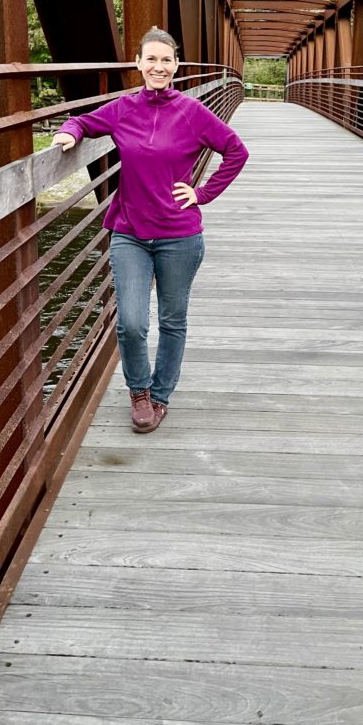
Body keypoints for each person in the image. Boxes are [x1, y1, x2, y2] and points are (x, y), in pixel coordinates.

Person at [52, 26, 249, 433]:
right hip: (130, 233)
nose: (158, 67)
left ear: (176, 66)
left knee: (172, 320)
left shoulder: (192, 112)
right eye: (151, 59)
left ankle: (160, 396)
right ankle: (138, 390)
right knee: (131, 322)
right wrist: (68, 133)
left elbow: (236, 150)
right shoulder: (124, 109)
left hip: (180, 235)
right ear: (138, 64)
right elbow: (84, 122)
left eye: (166, 60)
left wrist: (203, 192)